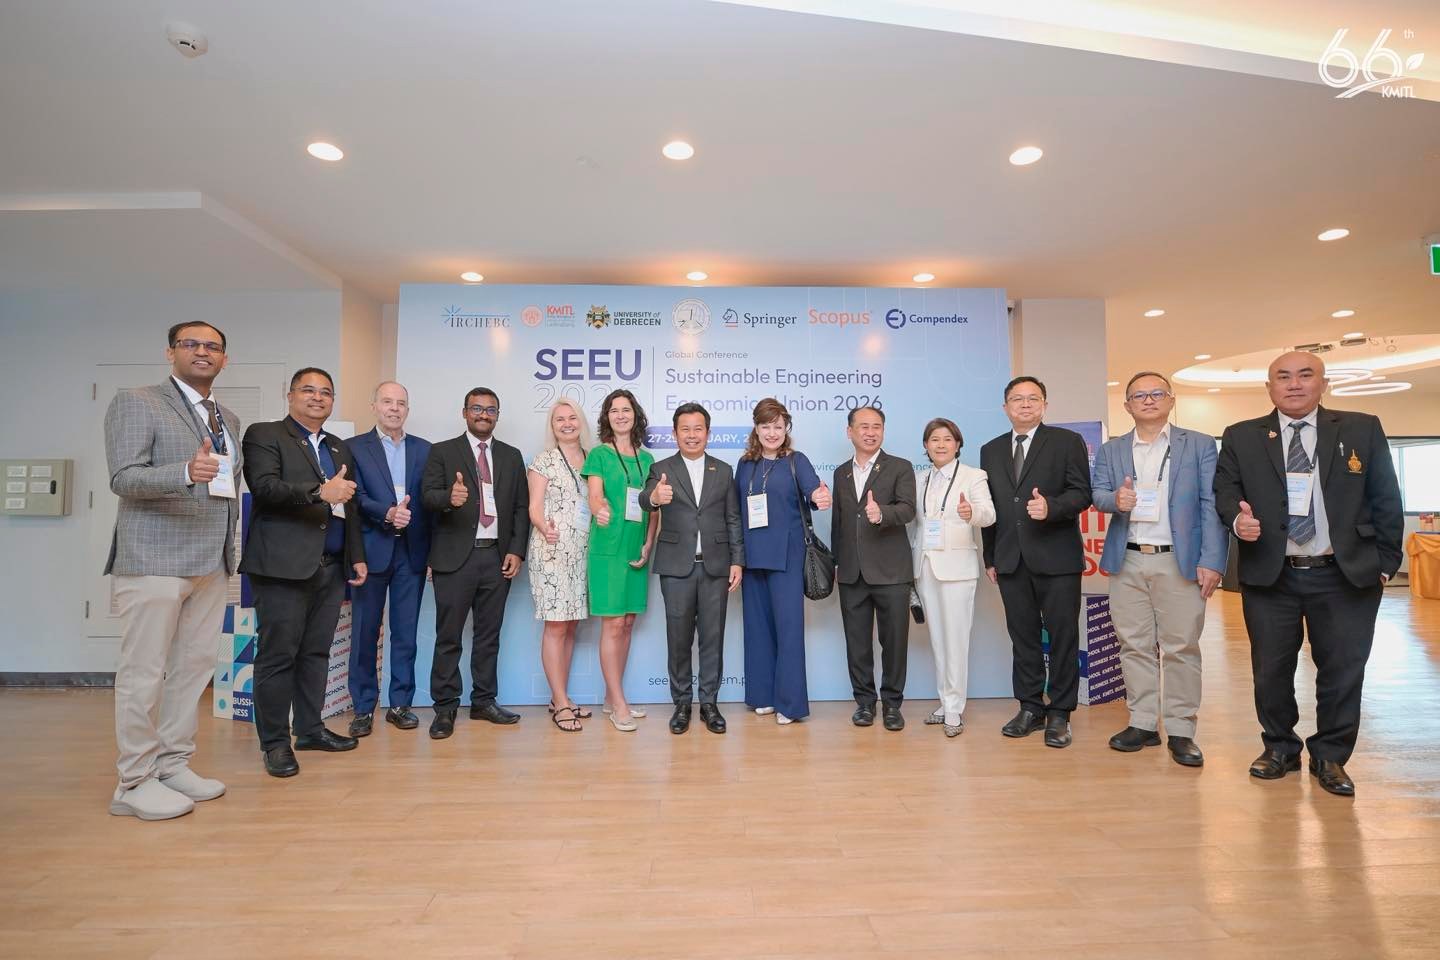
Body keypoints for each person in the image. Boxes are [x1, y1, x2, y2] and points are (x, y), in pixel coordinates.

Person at [1214, 351, 1403, 796]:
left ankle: (1331, 755)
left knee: (1342, 670)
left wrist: (1385, 564)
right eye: (1283, 377)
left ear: (1323, 383)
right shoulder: (1242, 436)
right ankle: (1279, 747)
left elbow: (1386, 496)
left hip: (1345, 574)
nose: (1294, 384)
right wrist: (1236, 521)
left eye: (1305, 375)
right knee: (1270, 671)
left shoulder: (1361, 428)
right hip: (1271, 574)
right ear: (1270, 388)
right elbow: (1225, 490)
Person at [103, 322, 241, 819]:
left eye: (213, 347)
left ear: (224, 359)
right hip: (155, 558)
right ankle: (133, 781)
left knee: (193, 669)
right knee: (143, 673)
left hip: (210, 561)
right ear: (170, 353)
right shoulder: (138, 401)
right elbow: (124, 477)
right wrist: (184, 471)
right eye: (192, 344)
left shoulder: (227, 417)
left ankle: (172, 764)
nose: (203, 352)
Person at [1091, 372, 1226, 767]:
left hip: (1179, 560)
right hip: (1127, 558)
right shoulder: (1113, 449)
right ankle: (1143, 723)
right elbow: (1097, 495)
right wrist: (1115, 500)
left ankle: (1182, 730)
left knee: (1181, 647)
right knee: (1133, 644)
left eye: (1156, 393)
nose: (1148, 400)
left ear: (1170, 400)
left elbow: (1211, 504)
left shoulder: (1199, 444)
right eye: (1139, 396)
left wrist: (1212, 560)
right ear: (1127, 406)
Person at [240, 367, 367, 778]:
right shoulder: (265, 435)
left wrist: (356, 555)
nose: (317, 398)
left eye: (325, 392)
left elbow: (349, 505)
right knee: (278, 656)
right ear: (290, 395)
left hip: (330, 567)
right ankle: (275, 743)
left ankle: (310, 729)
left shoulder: (337, 446)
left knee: (316, 653)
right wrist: (318, 492)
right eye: (308, 390)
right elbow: (265, 488)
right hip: (283, 567)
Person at [980, 376, 1092, 748]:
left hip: (1057, 557)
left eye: (1033, 398)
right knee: (1023, 637)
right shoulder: (990, 450)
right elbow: (992, 508)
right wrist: (991, 556)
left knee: (1062, 636)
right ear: (1005, 407)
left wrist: (1052, 507)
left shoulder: (1066, 442)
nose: (1025, 404)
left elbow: (1082, 493)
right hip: (1010, 559)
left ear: (1044, 404)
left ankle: (1060, 712)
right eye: (1017, 399)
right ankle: (1030, 707)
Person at [420, 387, 529, 740]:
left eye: (490, 409)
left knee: (488, 636)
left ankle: (483, 701)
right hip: (455, 559)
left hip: (497, 557)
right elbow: (427, 497)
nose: (483, 414)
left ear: (498, 415)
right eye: (477, 408)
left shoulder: (511, 456)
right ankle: (445, 707)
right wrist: (449, 498)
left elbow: (520, 507)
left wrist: (516, 550)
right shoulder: (442, 451)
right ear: (464, 412)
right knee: (448, 636)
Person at [640, 403, 744, 735]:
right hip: (676, 568)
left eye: (698, 429)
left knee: (713, 638)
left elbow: (733, 518)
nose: (692, 435)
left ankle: (709, 704)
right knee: (678, 639)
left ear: (708, 433)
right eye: (685, 429)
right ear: (675, 433)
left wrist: (737, 560)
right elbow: (645, 499)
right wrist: (654, 497)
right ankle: (682, 704)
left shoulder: (723, 470)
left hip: (716, 567)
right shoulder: (661, 468)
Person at [735, 398, 832, 725]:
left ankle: (789, 704)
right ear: (756, 428)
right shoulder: (745, 465)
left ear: (786, 428)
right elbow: (736, 510)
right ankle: (762, 696)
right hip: (752, 557)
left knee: (789, 631)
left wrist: (819, 497)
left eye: (778, 426)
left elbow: (814, 490)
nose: (772, 432)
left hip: (788, 557)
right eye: (766, 426)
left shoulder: (796, 461)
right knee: (757, 629)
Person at [344, 381, 432, 737]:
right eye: (387, 402)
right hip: (370, 551)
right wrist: (387, 513)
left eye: (401, 403)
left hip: (412, 553)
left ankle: (400, 705)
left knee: (406, 634)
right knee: (365, 633)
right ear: (374, 406)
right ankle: (363, 707)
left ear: (408, 409)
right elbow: (352, 498)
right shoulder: (353, 448)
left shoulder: (424, 449)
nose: (394, 408)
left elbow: (430, 503)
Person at [831, 406, 917, 731]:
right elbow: (839, 522)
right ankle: (864, 703)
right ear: (850, 432)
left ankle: (892, 705)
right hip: (851, 573)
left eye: (877, 426)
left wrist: (882, 514)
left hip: (891, 572)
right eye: (864, 426)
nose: (870, 432)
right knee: (857, 644)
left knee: (894, 643)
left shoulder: (899, 467)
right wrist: (837, 563)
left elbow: (908, 509)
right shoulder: (841, 473)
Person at [908, 418, 995, 738]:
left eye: (947, 439)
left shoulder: (974, 476)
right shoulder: (918, 479)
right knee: (938, 640)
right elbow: (914, 523)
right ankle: (945, 702)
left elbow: (989, 515)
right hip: (925, 566)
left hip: (957, 569)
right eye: (934, 439)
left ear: (958, 444)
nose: (941, 444)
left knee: (956, 639)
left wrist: (972, 513)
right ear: (926, 445)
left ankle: (955, 708)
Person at [581, 389, 659, 732]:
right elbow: (595, 496)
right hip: (608, 548)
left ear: (635, 415)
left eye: (626, 410)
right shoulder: (599, 454)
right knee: (612, 624)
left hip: (635, 547)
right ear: (607, 417)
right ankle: (619, 702)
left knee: (627, 622)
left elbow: (654, 507)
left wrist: (648, 543)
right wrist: (599, 509)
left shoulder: (648, 459)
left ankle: (612, 698)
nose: (621, 415)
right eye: (614, 410)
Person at [526, 399, 593, 733]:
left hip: (582, 553)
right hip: (551, 551)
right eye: (559, 420)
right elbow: (534, 507)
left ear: (581, 422)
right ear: (552, 426)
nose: (567, 424)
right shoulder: (544, 460)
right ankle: (562, 702)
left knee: (570, 626)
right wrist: (544, 527)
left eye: (572, 418)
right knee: (555, 625)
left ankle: (559, 697)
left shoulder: (593, 459)